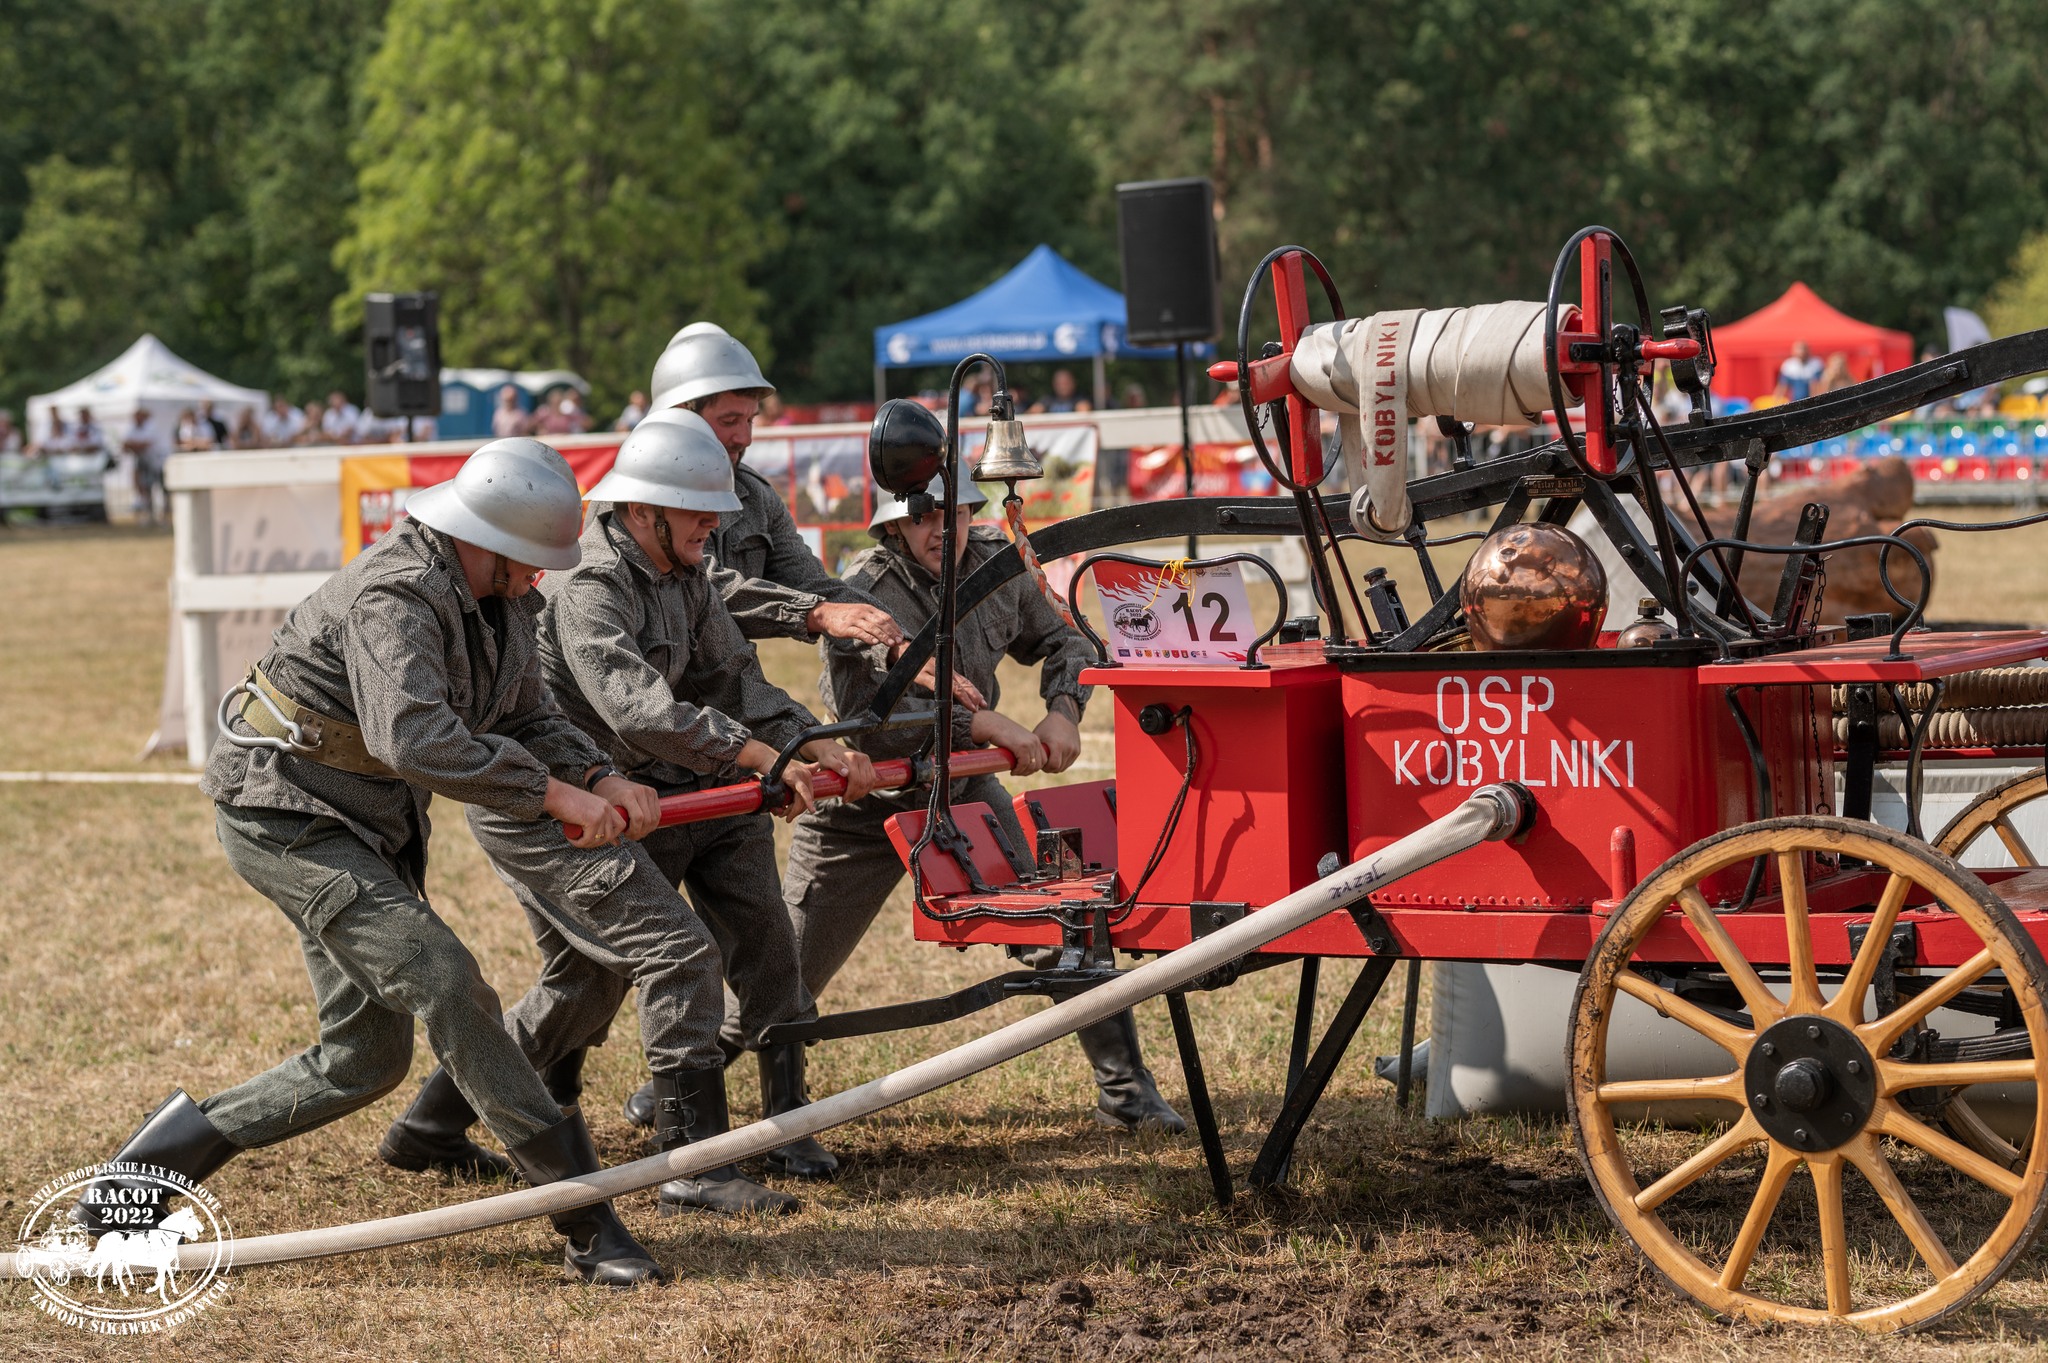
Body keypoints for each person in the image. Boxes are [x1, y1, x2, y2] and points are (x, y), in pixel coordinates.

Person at [76, 438, 667, 1287]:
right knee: (446, 976)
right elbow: (414, 737)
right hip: (284, 814)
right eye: (532, 560)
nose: (543, 578)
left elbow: (527, 716)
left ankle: (132, 1181)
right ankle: (584, 1215)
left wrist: (597, 771)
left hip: (365, 822)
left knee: (364, 1060)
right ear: (490, 543)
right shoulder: (396, 594)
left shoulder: (503, 599)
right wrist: (552, 794)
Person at [401, 410, 884, 1212]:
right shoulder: (592, 587)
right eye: (698, 511)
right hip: (609, 806)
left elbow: (734, 678)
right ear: (643, 510)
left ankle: (785, 1122)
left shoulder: (688, 575)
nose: (714, 526)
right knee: (597, 980)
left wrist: (813, 739)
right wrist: (765, 757)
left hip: (693, 790)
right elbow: (641, 711)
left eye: (717, 511)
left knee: (769, 945)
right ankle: (686, 1164)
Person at [784, 423, 1188, 1135]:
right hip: (864, 807)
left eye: (957, 512)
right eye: (925, 516)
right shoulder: (864, 595)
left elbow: (1069, 636)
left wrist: (1063, 709)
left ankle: (1126, 1094)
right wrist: (979, 726)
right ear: (895, 523)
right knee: (782, 976)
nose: (944, 529)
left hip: (965, 792)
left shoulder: (998, 567)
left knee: (1065, 916)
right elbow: (865, 724)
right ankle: (695, 1098)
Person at [122, 407, 168, 521]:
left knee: (162, 489)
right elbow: (125, 445)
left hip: (156, 462)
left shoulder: (151, 426)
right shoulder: (132, 428)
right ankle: (149, 514)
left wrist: (133, 445)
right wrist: (135, 445)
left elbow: (145, 444)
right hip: (143, 463)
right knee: (145, 489)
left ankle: (165, 515)